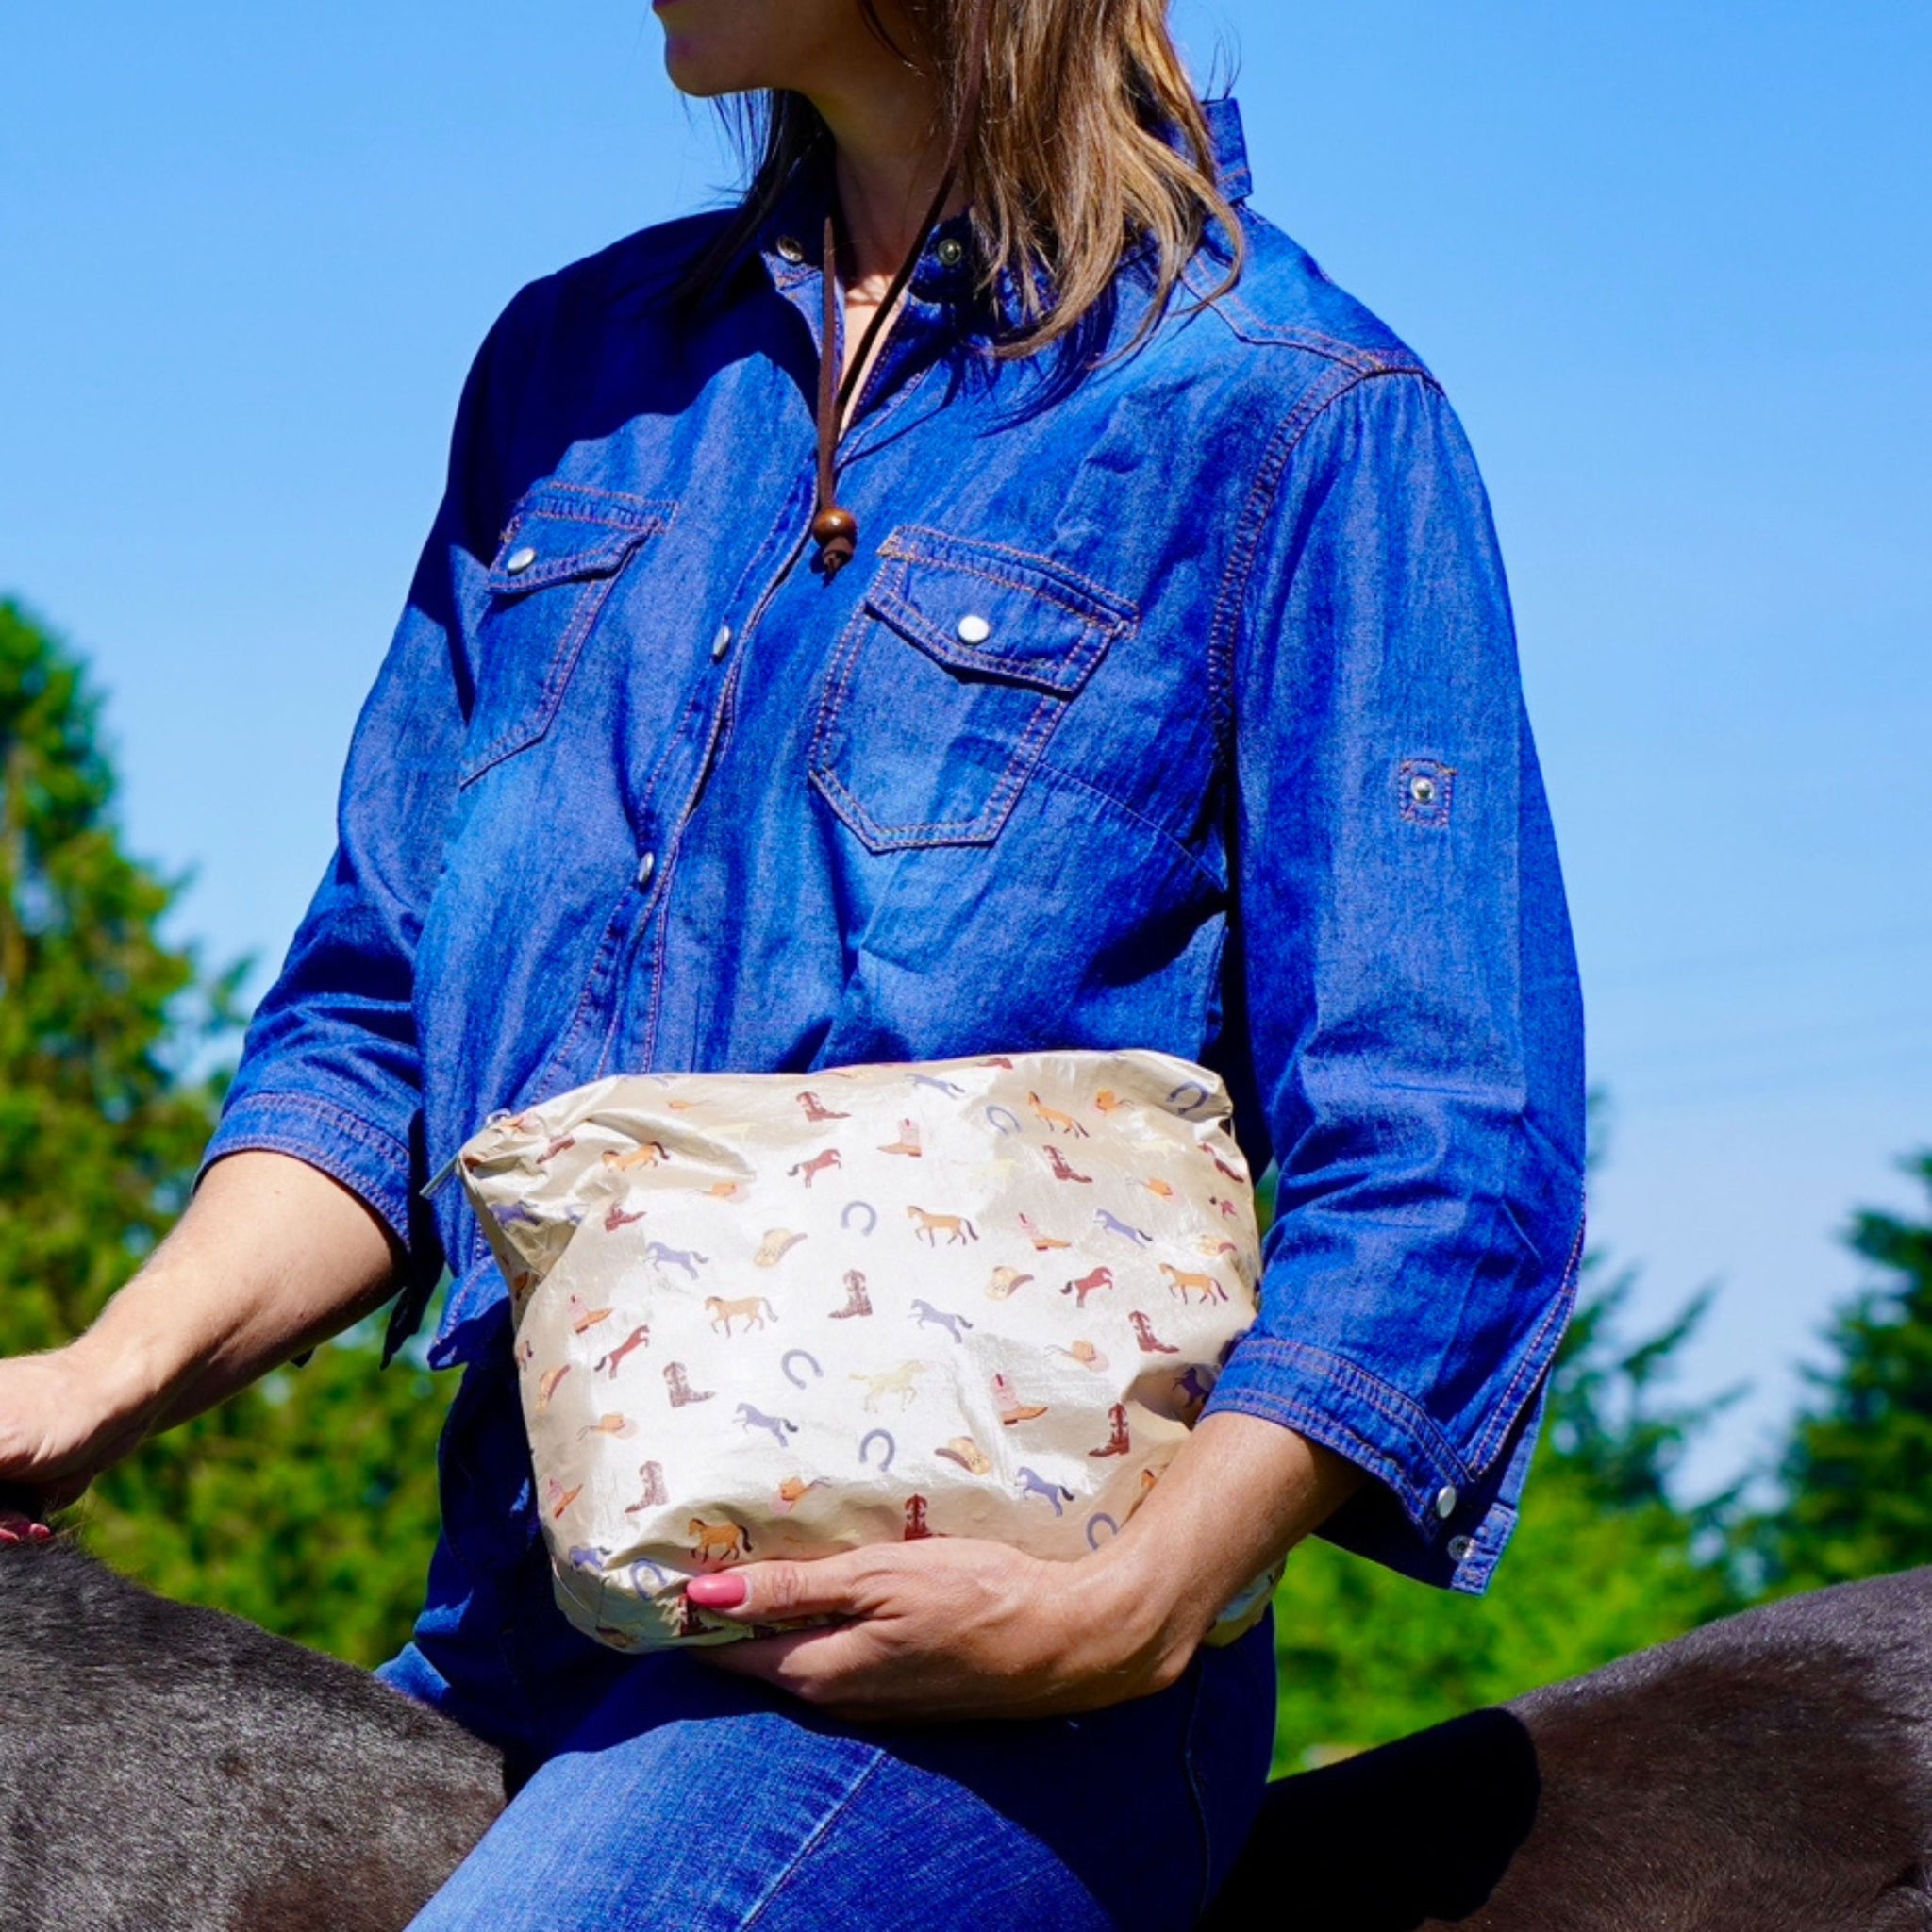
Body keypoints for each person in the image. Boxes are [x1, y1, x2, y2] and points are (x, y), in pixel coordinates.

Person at [0, 1, 1584, 1925]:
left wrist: (1131, 1602)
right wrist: (99, 1375)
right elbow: (375, 1024)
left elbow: (1446, 1153)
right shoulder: (569, 376)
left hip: (977, 1681)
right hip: (527, 1613)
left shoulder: (1295, 413)